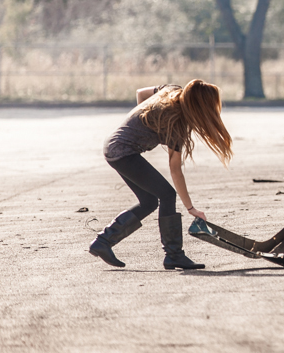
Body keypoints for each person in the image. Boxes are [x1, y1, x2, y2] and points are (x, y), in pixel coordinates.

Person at [89, 79, 233, 270]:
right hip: (123, 152)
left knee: (149, 201)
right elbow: (175, 170)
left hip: (114, 147)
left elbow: (141, 93)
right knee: (167, 195)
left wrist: (142, 125)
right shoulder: (177, 122)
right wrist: (191, 208)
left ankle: (103, 242)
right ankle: (174, 255)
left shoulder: (171, 90)